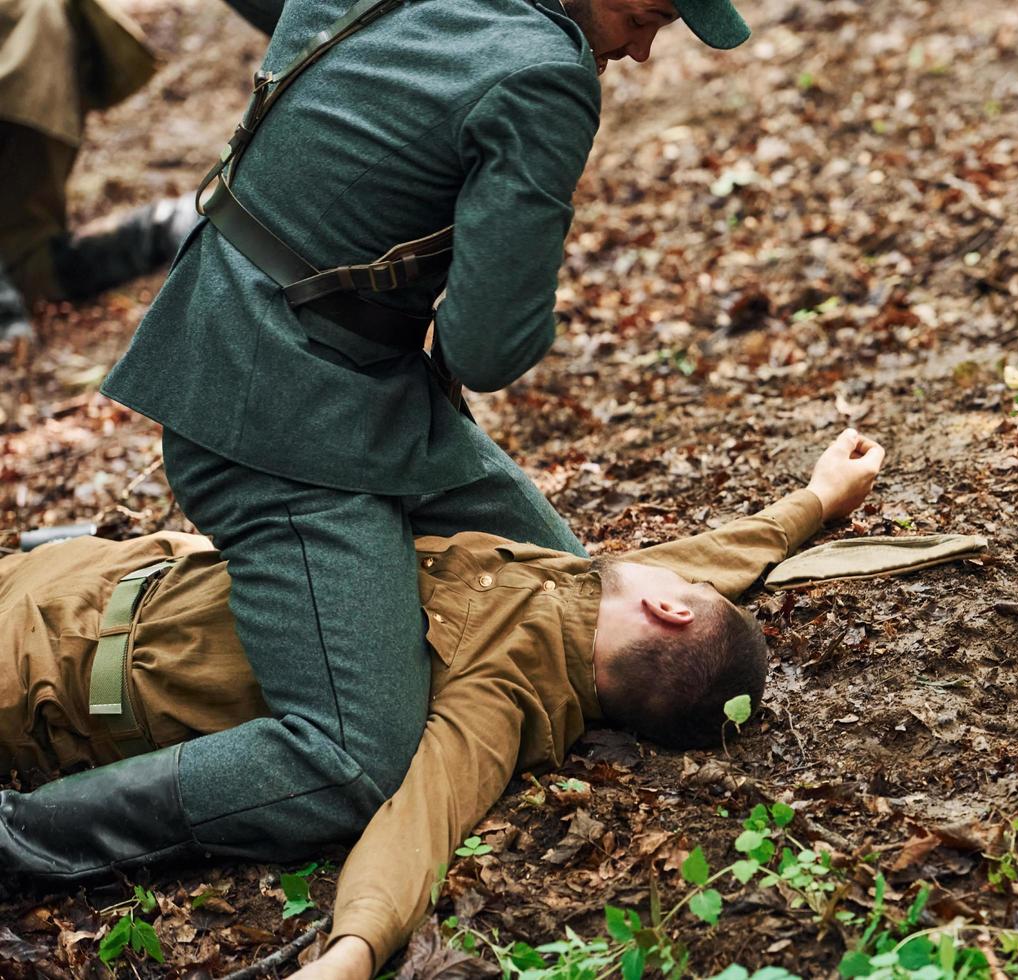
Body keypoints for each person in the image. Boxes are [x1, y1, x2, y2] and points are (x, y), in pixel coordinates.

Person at [83, 0, 754, 884]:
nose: (638, 50)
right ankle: (22, 833)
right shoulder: (543, 73)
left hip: (310, 358)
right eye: (646, 16)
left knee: (568, 598)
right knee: (352, 760)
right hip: (269, 415)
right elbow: (487, 348)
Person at [0, 429, 885, 979]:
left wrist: (354, 951)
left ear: (669, 606)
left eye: (676, 579)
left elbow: (419, 817)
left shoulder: (502, 692)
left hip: (46, 665)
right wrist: (810, 504)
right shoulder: (563, 595)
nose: (669, 561)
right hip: (84, 580)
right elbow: (712, 560)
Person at [0, 0, 201, 343]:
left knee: (33, 259)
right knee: (36, 266)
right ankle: (173, 223)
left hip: (30, 61)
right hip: (35, 60)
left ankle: (177, 222)